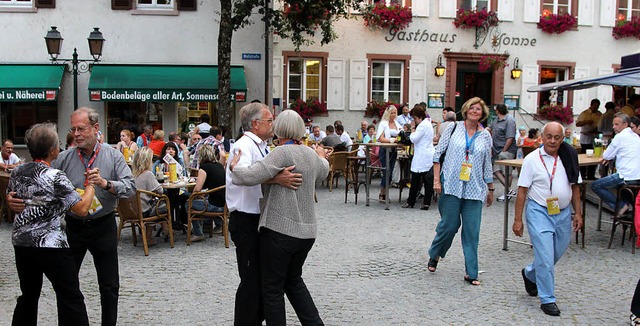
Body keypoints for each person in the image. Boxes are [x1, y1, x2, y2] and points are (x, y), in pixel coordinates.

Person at [8, 107, 135, 326]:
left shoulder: (113, 155)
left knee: (109, 285)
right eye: (73, 129)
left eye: (81, 129)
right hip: (73, 227)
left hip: (103, 225)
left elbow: (130, 187)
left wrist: (106, 184)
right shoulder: (63, 158)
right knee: (67, 287)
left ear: (95, 128)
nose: (75, 134)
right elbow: (37, 177)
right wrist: (11, 199)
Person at [229, 109, 330, 326]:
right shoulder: (310, 154)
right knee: (293, 281)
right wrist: (321, 156)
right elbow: (324, 172)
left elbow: (247, 175)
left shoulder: (281, 153)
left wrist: (233, 166)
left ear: (280, 130)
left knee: (272, 289)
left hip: (280, 231)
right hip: (307, 232)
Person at [9, 122, 97, 326]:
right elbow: (82, 208)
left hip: (22, 242)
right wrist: (91, 185)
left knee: (28, 295)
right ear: (52, 150)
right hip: (50, 244)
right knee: (70, 295)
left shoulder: (17, 172)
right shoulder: (55, 176)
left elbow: (14, 198)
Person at [225, 102, 302, 325]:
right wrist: (276, 179)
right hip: (245, 218)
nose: (273, 124)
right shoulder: (244, 146)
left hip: (257, 217)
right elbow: (245, 176)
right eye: (270, 120)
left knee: (261, 278)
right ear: (256, 124)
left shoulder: (260, 145)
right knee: (250, 279)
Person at [512, 121, 583, 316]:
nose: (552, 141)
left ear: (563, 138)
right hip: (539, 211)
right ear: (542, 137)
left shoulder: (569, 156)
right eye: (549, 136)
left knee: (554, 254)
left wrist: (578, 213)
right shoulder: (532, 159)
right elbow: (522, 191)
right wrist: (518, 220)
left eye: (557, 137)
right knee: (544, 255)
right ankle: (547, 299)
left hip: (563, 212)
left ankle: (529, 273)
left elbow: (575, 186)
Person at [427, 97, 494, 286]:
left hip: (475, 189)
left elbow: (487, 164)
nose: (475, 111)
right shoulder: (453, 128)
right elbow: (437, 154)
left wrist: (490, 188)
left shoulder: (485, 136)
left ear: (483, 113)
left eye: (478, 109)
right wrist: (437, 180)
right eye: (472, 108)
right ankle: (435, 253)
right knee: (449, 226)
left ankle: (472, 273)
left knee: (472, 232)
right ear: (465, 110)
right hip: (451, 186)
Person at [591, 113, 640, 215]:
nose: (613, 127)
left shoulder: (620, 137)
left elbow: (606, 155)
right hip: (637, 176)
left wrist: (610, 158)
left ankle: (621, 206)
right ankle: (628, 209)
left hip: (626, 176)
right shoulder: (636, 136)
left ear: (625, 124)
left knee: (596, 185)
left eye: (616, 124)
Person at [131, 147, 169, 246]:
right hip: (143, 211)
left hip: (130, 211)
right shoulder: (148, 174)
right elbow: (160, 191)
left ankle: (165, 228)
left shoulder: (132, 175)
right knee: (163, 203)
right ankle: (152, 235)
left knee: (154, 203)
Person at [189, 144, 226, 243]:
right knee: (200, 200)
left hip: (214, 206)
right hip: (224, 204)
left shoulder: (204, 167)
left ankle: (198, 233)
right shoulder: (219, 166)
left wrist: (192, 196)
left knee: (189, 203)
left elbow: (197, 189)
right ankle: (215, 225)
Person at [401, 107, 435, 210]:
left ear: (418, 117)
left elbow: (414, 138)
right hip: (425, 154)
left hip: (423, 155)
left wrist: (412, 129)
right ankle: (424, 202)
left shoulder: (422, 126)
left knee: (417, 179)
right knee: (425, 180)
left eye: (414, 118)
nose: (414, 121)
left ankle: (412, 202)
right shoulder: (427, 124)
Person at [487, 103, 517, 202]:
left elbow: (510, 137)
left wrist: (504, 150)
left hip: (507, 151)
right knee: (495, 170)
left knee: (506, 172)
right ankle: (509, 191)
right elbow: (489, 128)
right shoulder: (496, 120)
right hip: (497, 150)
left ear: (497, 110)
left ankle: (507, 193)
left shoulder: (509, 120)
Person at [376, 105, 401, 200]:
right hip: (384, 150)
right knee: (386, 171)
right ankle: (383, 192)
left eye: (395, 113)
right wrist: (391, 140)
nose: (394, 115)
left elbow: (400, 134)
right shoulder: (383, 123)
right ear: (388, 113)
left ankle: (384, 192)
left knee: (390, 172)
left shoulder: (397, 124)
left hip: (393, 150)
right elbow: (381, 138)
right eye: (392, 113)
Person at [575, 99, 602, 180]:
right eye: (595, 106)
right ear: (591, 105)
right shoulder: (585, 113)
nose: (596, 108)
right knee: (584, 155)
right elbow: (577, 123)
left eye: (597, 106)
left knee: (594, 156)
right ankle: (583, 174)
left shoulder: (599, 114)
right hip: (585, 138)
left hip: (595, 137)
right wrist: (587, 122)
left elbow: (600, 125)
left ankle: (591, 174)